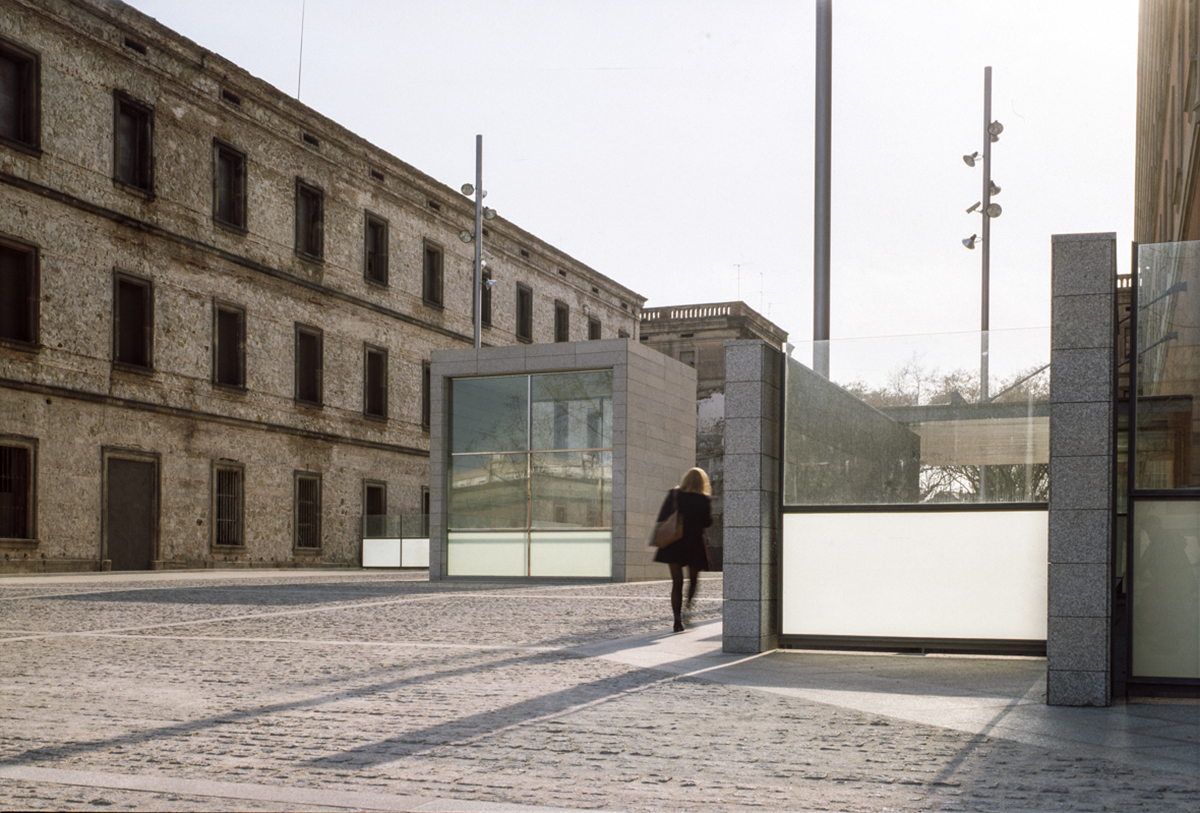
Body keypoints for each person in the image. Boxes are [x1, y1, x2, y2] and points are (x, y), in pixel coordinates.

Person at [653, 467, 713, 632]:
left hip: (675, 543)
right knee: (693, 580)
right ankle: (688, 608)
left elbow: (662, 516)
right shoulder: (704, 499)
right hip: (694, 544)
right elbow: (707, 523)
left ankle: (677, 621)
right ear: (702, 482)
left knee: (677, 583)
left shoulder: (674, 494)